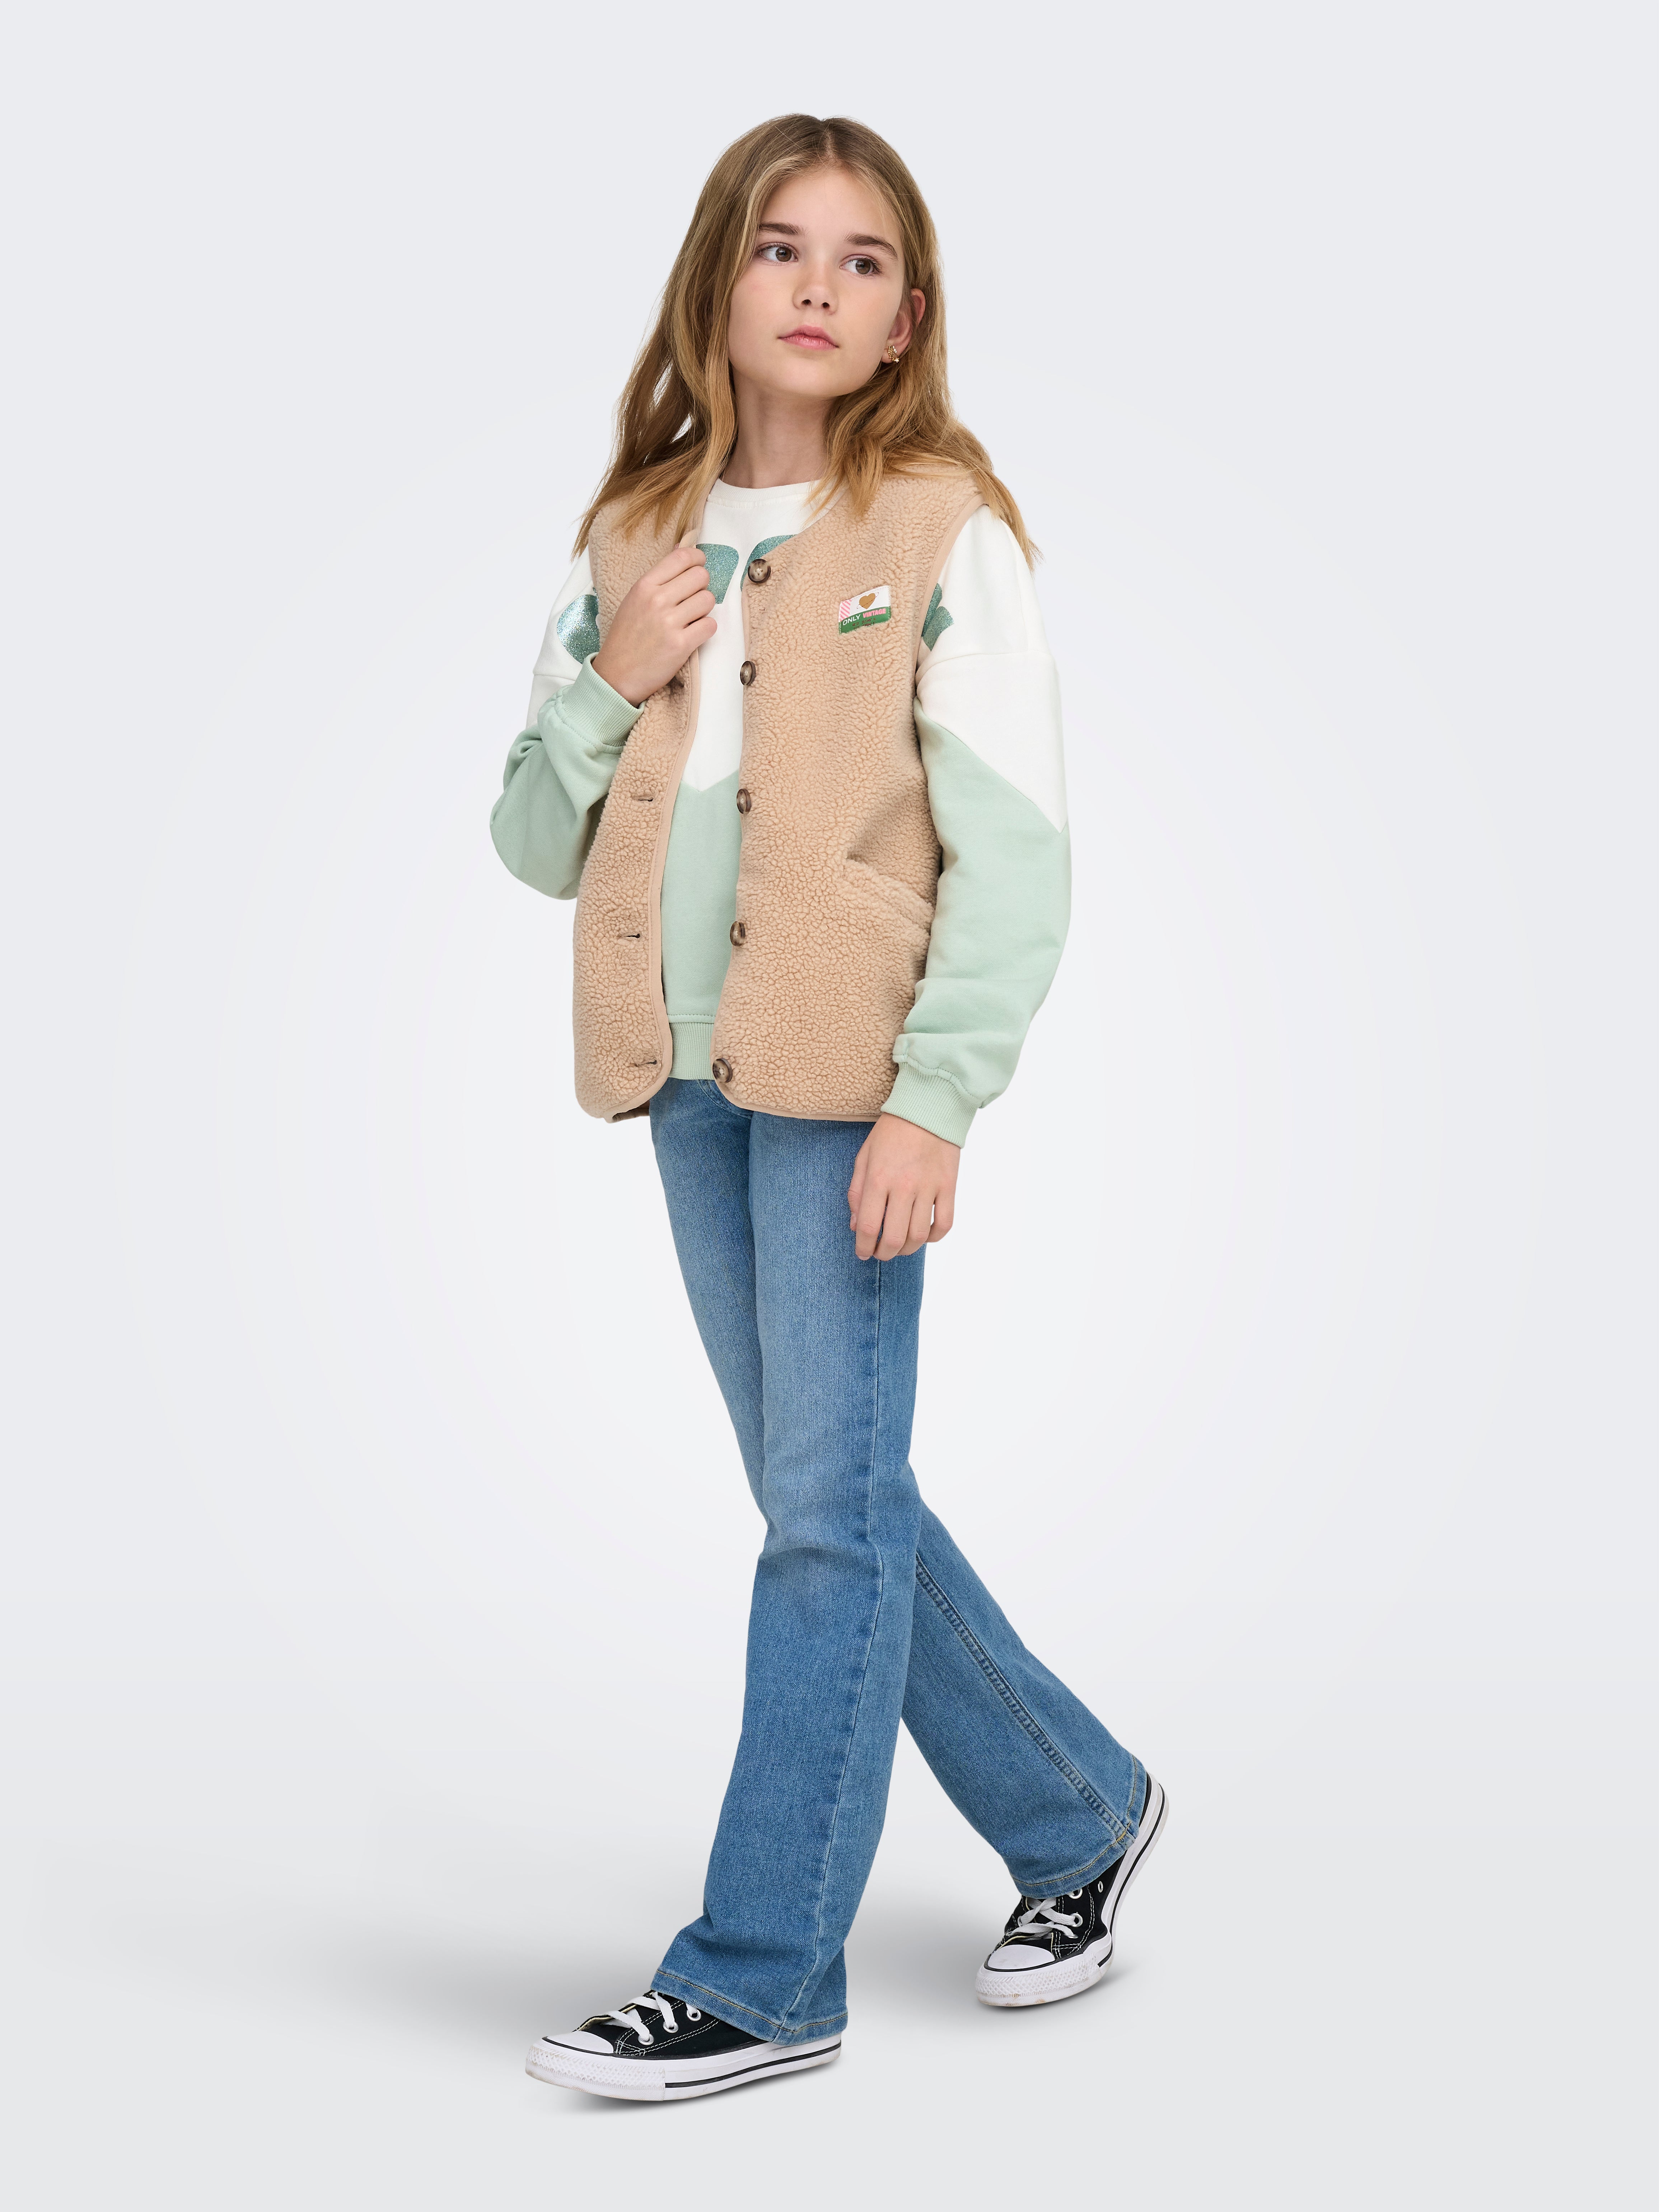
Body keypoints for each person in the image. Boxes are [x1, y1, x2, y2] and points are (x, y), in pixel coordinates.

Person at [491, 113, 1164, 2105]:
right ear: (716, 285)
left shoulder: (942, 527)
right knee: (832, 1498)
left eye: (863, 259)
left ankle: (766, 1968)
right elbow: (531, 840)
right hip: (684, 1082)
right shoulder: (629, 535)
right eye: (780, 246)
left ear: (905, 317)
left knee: (821, 1521)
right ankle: (1079, 1806)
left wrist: (936, 1101)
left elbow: (1018, 849)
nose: (816, 284)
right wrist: (611, 675)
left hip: (850, 1081)